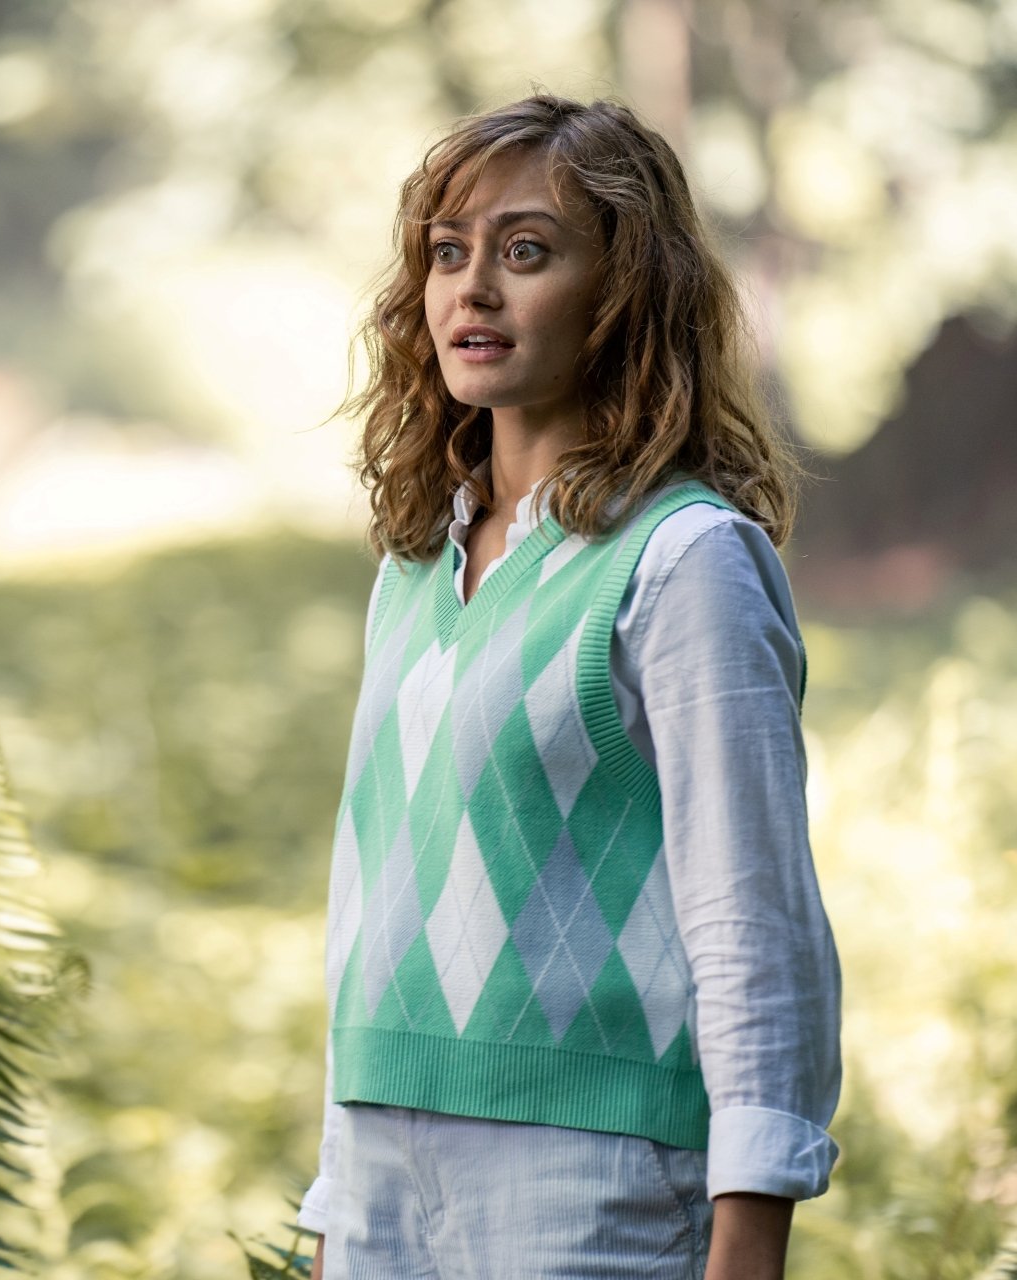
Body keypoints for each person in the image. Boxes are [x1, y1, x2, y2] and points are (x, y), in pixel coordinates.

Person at [298, 93, 843, 1279]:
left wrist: (749, 1240)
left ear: (622, 291)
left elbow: (754, 921)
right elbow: (368, 897)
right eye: (449, 253)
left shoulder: (684, 560)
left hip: (590, 1187)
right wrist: (338, 1195)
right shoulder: (412, 563)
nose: (473, 289)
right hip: (387, 1180)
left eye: (526, 251)